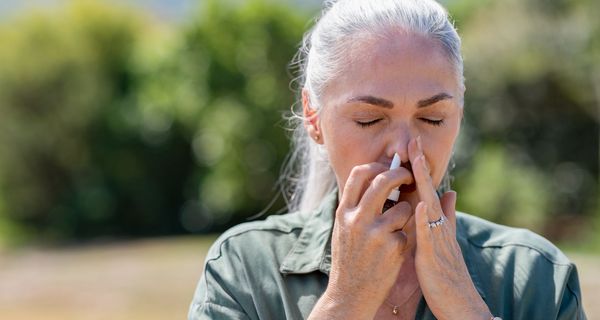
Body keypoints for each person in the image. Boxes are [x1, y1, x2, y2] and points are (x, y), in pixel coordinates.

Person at [188, 0, 587, 319]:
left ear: (459, 115)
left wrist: (465, 308)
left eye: (432, 118)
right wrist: (347, 300)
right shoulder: (242, 270)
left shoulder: (537, 277)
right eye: (369, 119)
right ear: (313, 117)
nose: (402, 149)